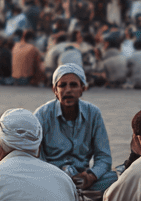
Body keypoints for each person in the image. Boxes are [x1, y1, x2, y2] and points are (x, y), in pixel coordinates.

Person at [34, 63, 116, 193]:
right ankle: (79, 197)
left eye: (73, 85)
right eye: (62, 85)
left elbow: (104, 157)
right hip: (51, 178)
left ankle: (76, 194)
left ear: (82, 89)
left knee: (116, 178)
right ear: (55, 90)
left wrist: (91, 176)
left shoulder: (93, 113)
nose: (68, 90)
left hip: (82, 178)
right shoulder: (42, 114)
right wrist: (54, 176)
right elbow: (35, 156)